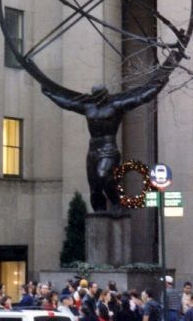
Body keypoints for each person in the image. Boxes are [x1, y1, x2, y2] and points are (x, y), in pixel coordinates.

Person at [42, 40, 185, 212]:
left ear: (105, 95)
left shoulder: (116, 106)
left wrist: (167, 70)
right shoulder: (88, 107)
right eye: (94, 96)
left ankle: (116, 203)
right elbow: (67, 103)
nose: (97, 99)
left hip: (109, 149)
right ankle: (101, 215)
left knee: (103, 176)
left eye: (99, 96)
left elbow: (145, 94)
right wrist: (49, 92)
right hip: (93, 150)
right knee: (95, 188)